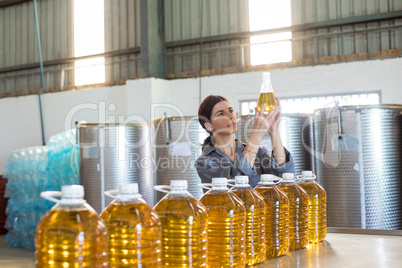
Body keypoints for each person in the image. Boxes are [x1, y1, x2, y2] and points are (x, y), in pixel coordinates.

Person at [195, 95, 294, 187]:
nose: (230, 116)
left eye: (231, 111)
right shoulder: (204, 162)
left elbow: (284, 176)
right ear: (208, 125)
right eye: (221, 114)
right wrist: (256, 136)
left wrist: (274, 131)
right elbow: (233, 185)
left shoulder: (258, 152)